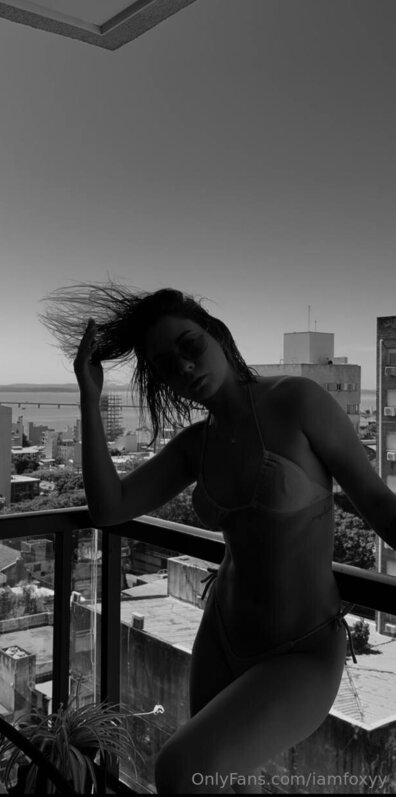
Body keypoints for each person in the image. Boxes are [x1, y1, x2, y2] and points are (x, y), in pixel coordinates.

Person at [41, 282, 396, 794]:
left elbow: (379, 504)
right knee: (223, 785)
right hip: (221, 638)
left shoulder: (297, 401)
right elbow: (109, 508)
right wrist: (89, 399)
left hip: (304, 650)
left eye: (190, 345)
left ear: (218, 336)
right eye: (167, 365)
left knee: (179, 770)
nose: (185, 367)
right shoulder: (195, 445)